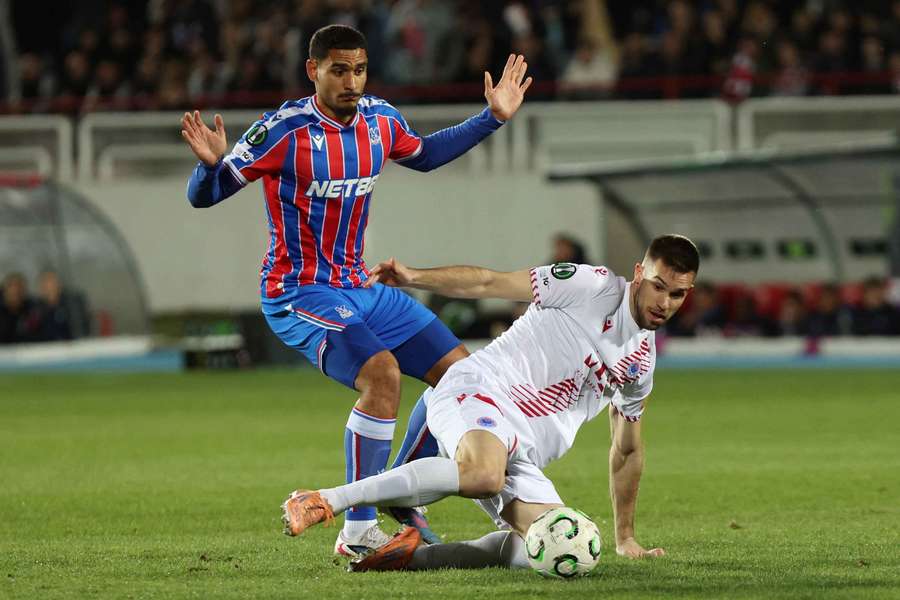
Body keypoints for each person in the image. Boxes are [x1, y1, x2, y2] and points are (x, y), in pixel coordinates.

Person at [179, 24, 532, 557]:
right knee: (383, 375)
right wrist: (208, 168)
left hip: (361, 286)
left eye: (359, 69)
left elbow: (427, 154)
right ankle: (356, 531)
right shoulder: (283, 130)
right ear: (313, 70)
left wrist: (492, 118)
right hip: (299, 292)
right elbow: (206, 196)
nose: (351, 81)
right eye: (339, 70)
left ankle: (399, 488)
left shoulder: (380, 121)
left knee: (465, 377)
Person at [282, 234, 699, 571]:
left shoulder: (641, 362)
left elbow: (626, 450)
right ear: (639, 273)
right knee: (484, 475)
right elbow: (489, 282)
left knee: (557, 550)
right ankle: (324, 498)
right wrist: (413, 276)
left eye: (677, 295)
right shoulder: (589, 285)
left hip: (521, 452)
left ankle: (405, 560)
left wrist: (625, 538)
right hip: (482, 390)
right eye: (658, 287)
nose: (663, 303)